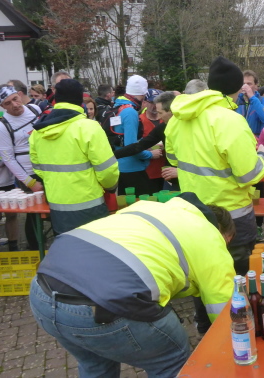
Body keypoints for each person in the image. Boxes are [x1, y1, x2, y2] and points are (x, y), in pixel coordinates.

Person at [29, 192, 236, 377]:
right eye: (227, 242)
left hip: (42, 291)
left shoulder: (147, 207)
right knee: (171, 359)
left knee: (96, 364)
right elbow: (223, 307)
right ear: (223, 233)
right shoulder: (210, 238)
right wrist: (235, 350)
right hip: (105, 307)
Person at [165, 56, 264, 276]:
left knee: (204, 277)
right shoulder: (231, 121)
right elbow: (248, 175)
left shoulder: (177, 119)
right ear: (237, 88)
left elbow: (173, 159)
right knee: (239, 279)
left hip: (194, 213)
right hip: (232, 218)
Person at [29, 79, 119, 234]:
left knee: (67, 246)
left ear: (56, 99)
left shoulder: (38, 131)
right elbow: (107, 170)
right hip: (90, 204)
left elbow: (38, 168)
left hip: (58, 206)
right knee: (94, 246)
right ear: (80, 100)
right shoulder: (89, 127)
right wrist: (110, 187)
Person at [0, 85, 43, 249]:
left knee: (54, 208)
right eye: (8, 103)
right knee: (34, 213)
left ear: (19, 95)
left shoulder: (35, 109)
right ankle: (36, 248)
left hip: (48, 167)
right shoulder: (2, 126)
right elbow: (8, 159)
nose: (14, 105)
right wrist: (29, 182)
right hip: (29, 173)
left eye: (15, 99)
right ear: (2, 106)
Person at [114, 92, 179, 191]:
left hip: (190, 179)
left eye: (160, 113)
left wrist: (180, 172)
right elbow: (139, 146)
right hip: (171, 180)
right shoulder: (163, 127)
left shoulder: (188, 127)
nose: (159, 117)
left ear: (171, 111)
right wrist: (112, 156)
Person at [114, 75, 161, 196]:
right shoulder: (130, 112)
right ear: (143, 95)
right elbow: (131, 147)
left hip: (119, 166)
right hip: (133, 169)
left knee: (126, 203)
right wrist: (150, 154)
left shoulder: (118, 107)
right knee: (143, 203)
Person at [0, 98, 18, 253]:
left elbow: (12, 153)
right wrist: (2, 160)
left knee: (12, 215)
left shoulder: (4, 127)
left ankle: (14, 247)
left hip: (8, 180)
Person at [140, 89, 165, 192]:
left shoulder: (166, 119)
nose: (155, 106)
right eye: (151, 102)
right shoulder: (139, 120)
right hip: (147, 172)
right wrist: (148, 150)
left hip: (166, 172)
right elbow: (132, 144)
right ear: (145, 103)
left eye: (157, 102)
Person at [236, 69, 264, 136]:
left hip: (258, 140)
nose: (245, 87)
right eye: (243, 84)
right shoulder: (236, 101)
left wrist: (252, 97)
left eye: (249, 84)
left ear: (256, 85)